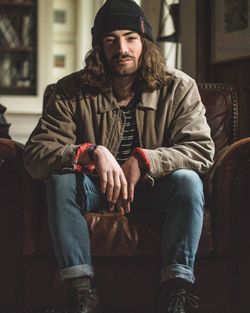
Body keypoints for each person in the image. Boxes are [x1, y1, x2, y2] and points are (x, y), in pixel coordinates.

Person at [23, 0, 215, 312]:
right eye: (110, 40)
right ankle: (79, 293)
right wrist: (89, 152)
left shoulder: (179, 87)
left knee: (188, 181)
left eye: (130, 37)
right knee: (60, 180)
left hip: (157, 188)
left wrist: (145, 159)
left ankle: (175, 291)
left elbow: (201, 150)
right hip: (97, 188)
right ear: (98, 47)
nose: (121, 48)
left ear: (146, 43)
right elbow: (36, 155)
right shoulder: (71, 90)